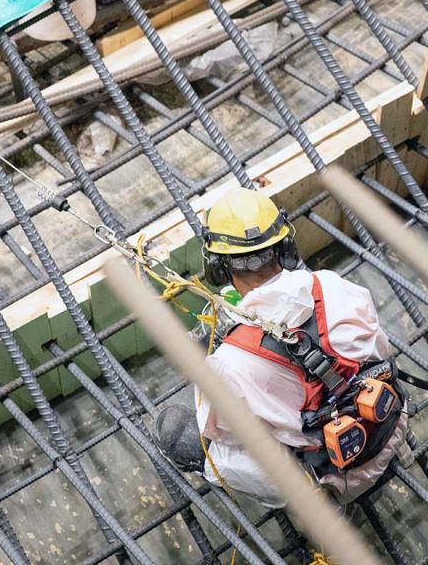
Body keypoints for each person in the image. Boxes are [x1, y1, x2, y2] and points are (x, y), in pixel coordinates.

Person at [154, 188, 410, 508]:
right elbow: (377, 351)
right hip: (390, 428)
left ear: (217, 266)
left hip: (333, 480)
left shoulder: (227, 364)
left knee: (186, 438)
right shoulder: (336, 287)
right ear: (286, 245)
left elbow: (225, 433)